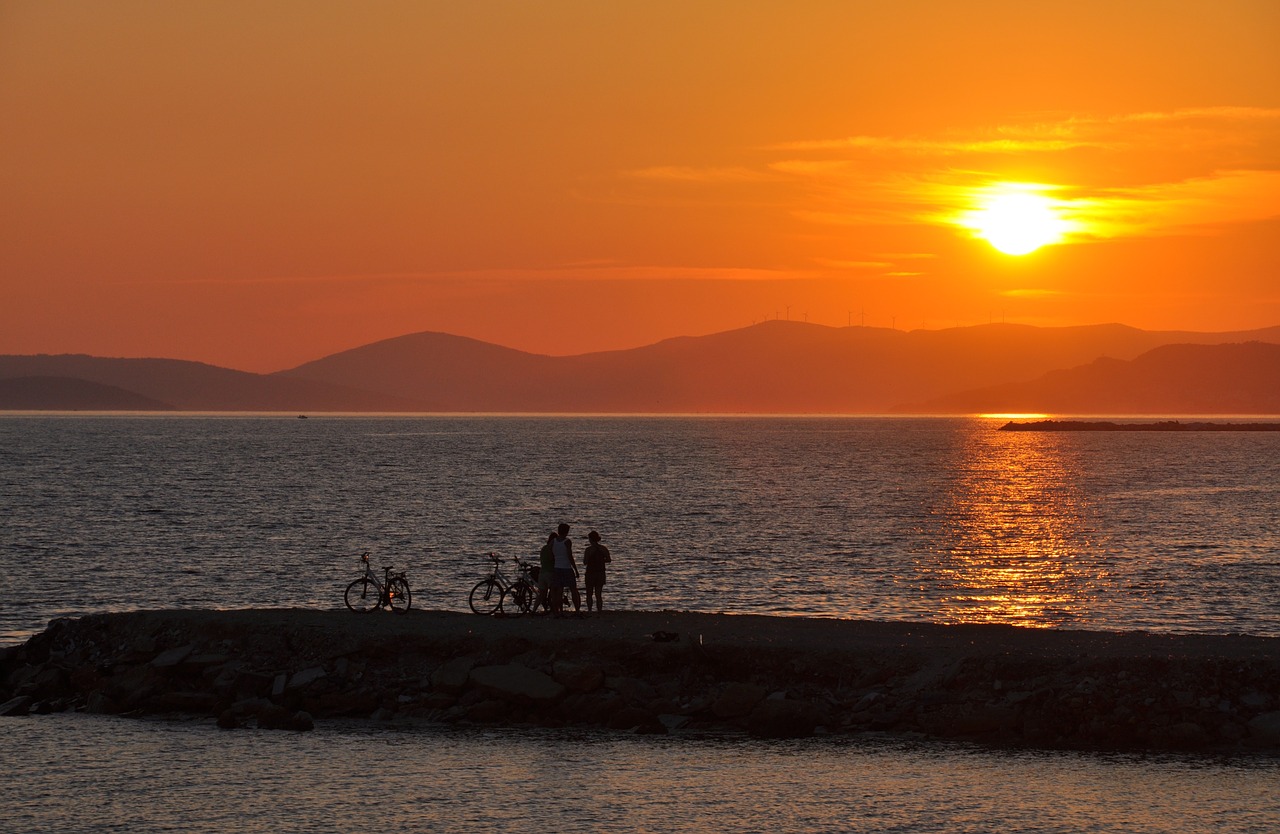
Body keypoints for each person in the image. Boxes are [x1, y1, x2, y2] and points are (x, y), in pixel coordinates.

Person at [550, 522, 581, 617]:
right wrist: (575, 569)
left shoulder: (553, 541)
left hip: (557, 568)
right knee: (573, 589)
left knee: (559, 591)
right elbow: (570, 556)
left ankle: (559, 612)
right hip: (566, 568)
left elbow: (551, 555)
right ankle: (577, 611)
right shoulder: (567, 542)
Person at [582, 530, 611, 613]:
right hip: (600, 573)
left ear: (590, 539)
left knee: (589, 594)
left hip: (590, 573)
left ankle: (590, 610)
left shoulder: (588, 550)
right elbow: (608, 560)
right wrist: (601, 561)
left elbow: (585, 562)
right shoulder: (603, 548)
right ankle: (599, 610)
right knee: (598, 594)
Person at [537, 532, 556, 613]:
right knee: (553, 592)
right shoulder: (552, 549)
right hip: (550, 572)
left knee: (541, 595)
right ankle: (554, 609)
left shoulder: (544, 548)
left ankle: (534, 610)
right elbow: (553, 560)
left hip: (542, 572)